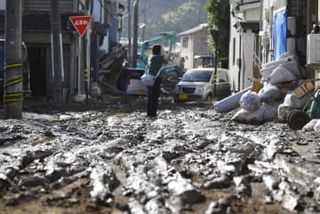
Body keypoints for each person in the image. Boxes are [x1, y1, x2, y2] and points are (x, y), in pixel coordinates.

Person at [146, 45, 167, 117]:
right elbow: (166, 62)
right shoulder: (160, 57)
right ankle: (153, 113)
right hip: (156, 78)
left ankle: (149, 113)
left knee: (150, 96)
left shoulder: (150, 57)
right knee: (155, 97)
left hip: (149, 78)